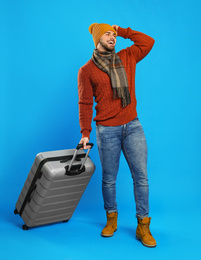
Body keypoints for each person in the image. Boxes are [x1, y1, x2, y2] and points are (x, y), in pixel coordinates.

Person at [77, 23, 156, 247]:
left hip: (133, 125)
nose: (112, 37)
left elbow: (148, 42)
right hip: (106, 130)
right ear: (97, 39)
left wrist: (123, 30)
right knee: (109, 179)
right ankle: (111, 219)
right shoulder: (87, 70)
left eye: (114, 35)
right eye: (107, 34)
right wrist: (85, 133)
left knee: (141, 177)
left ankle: (143, 225)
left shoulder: (127, 56)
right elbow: (84, 103)